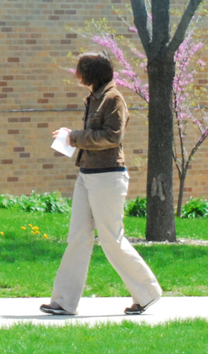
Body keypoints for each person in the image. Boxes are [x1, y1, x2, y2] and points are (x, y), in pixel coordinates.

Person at [40, 53, 162, 317]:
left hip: (108, 177)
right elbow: (93, 135)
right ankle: (64, 302)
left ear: (91, 73)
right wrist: (71, 136)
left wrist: (74, 137)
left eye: (80, 70)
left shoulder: (113, 98)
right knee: (77, 237)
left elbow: (112, 136)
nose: (76, 74)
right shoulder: (95, 97)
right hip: (87, 174)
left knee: (111, 239)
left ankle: (148, 293)